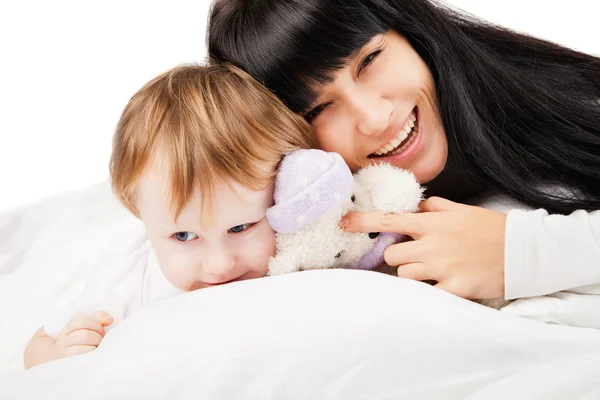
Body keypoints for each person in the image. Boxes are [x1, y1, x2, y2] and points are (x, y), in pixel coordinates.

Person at [207, 0, 600, 305]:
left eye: (370, 60)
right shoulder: (321, 235)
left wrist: (520, 253)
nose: (374, 118)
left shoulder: (564, 104)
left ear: (412, 31)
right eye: (317, 110)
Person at [23, 63, 314, 369]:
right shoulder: (128, 280)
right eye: (184, 236)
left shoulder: (304, 241)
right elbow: (38, 345)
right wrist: (62, 354)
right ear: (139, 212)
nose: (219, 265)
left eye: (240, 227)